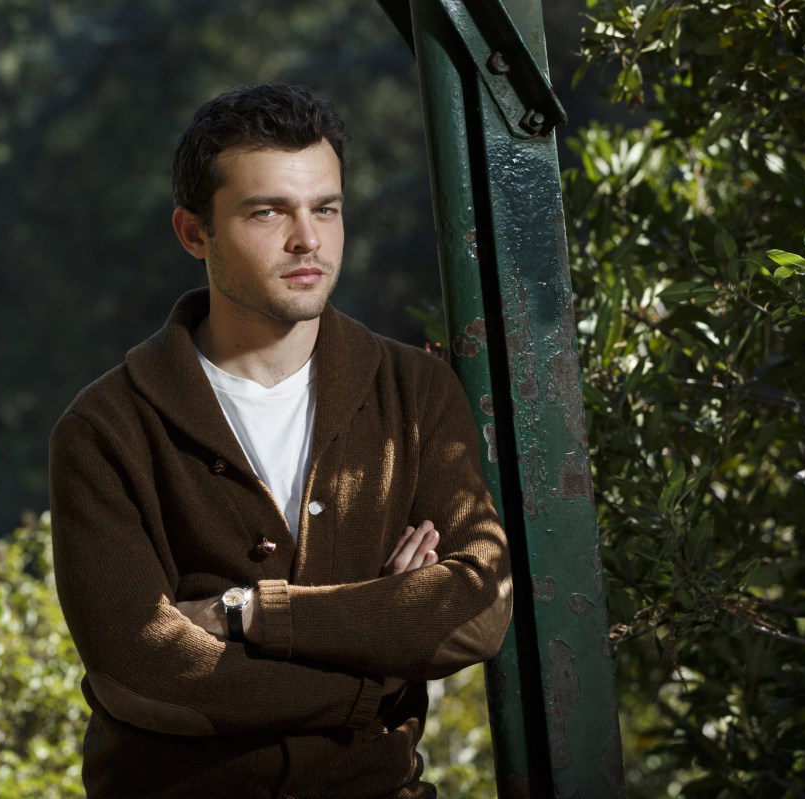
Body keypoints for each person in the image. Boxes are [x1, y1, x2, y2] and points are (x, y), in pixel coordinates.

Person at [49, 82, 512, 799]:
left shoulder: (415, 393)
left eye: (326, 208)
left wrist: (252, 613)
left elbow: (477, 608)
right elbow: (143, 669)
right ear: (193, 232)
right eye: (269, 212)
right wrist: (381, 647)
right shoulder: (104, 430)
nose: (309, 240)